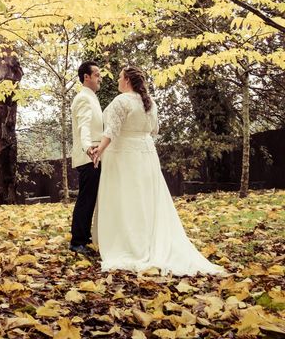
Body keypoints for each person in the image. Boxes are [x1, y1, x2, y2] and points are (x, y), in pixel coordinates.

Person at [91, 66, 224, 275]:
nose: (117, 80)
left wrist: (99, 149)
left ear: (127, 80)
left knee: (125, 199)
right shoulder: (150, 103)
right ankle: (148, 240)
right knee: (146, 200)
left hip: (123, 157)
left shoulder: (121, 101)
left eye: (119, 77)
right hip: (146, 157)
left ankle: (129, 246)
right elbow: (154, 130)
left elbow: (112, 131)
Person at [69, 61, 103, 255]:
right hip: (89, 157)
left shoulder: (92, 98)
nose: (100, 78)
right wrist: (88, 148)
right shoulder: (83, 98)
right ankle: (78, 241)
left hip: (95, 155)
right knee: (86, 199)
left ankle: (84, 236)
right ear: (86, 77)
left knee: (90, 198)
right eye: (96, 74)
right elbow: (84, 126)